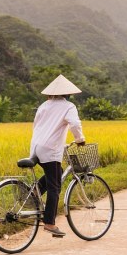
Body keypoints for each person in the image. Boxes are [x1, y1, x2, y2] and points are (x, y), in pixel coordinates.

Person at [30, 74, 86, 237]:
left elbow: (37, 125)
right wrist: (80, 139)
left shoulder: (44, 105)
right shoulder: (69, 106)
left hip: (36, 147)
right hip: (50, 149)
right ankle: (49, 223)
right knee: (55, 187)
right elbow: (75, 124)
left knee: (57, 172)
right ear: (68, 94)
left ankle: (36, 192)